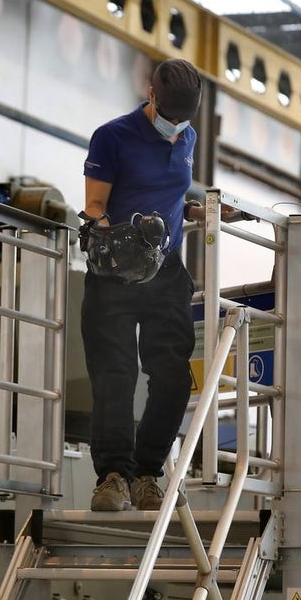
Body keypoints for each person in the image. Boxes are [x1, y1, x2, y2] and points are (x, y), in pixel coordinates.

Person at [80, 58, 203, 511]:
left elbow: (170, 194)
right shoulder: (112, 136)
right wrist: (111, 237)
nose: (176, 127)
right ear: (151, 96)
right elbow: (95, 204)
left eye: (184, 119)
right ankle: (113, 476)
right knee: (115, 375)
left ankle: (148, 475)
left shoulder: (187, 137)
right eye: (170, 117)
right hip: (116, 270)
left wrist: (201, 212)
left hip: (165, 270)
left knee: (173, 378)